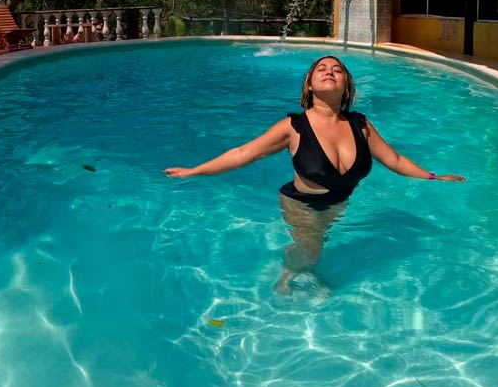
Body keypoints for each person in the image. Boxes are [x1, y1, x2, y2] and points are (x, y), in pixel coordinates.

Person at [165, 55, 465, 293]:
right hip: (300, 202)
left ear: (347, 85)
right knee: (311, 250)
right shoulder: (294, 127)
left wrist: (433, 177)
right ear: (309, 84)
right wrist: (195, 171)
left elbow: (395, 159)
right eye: (321, 68)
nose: (329, 71)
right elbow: (244, 154)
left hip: (338, 202)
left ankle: (297, 263)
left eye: (337, 69)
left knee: (315, 244)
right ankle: (284, 278)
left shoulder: (361, 125)